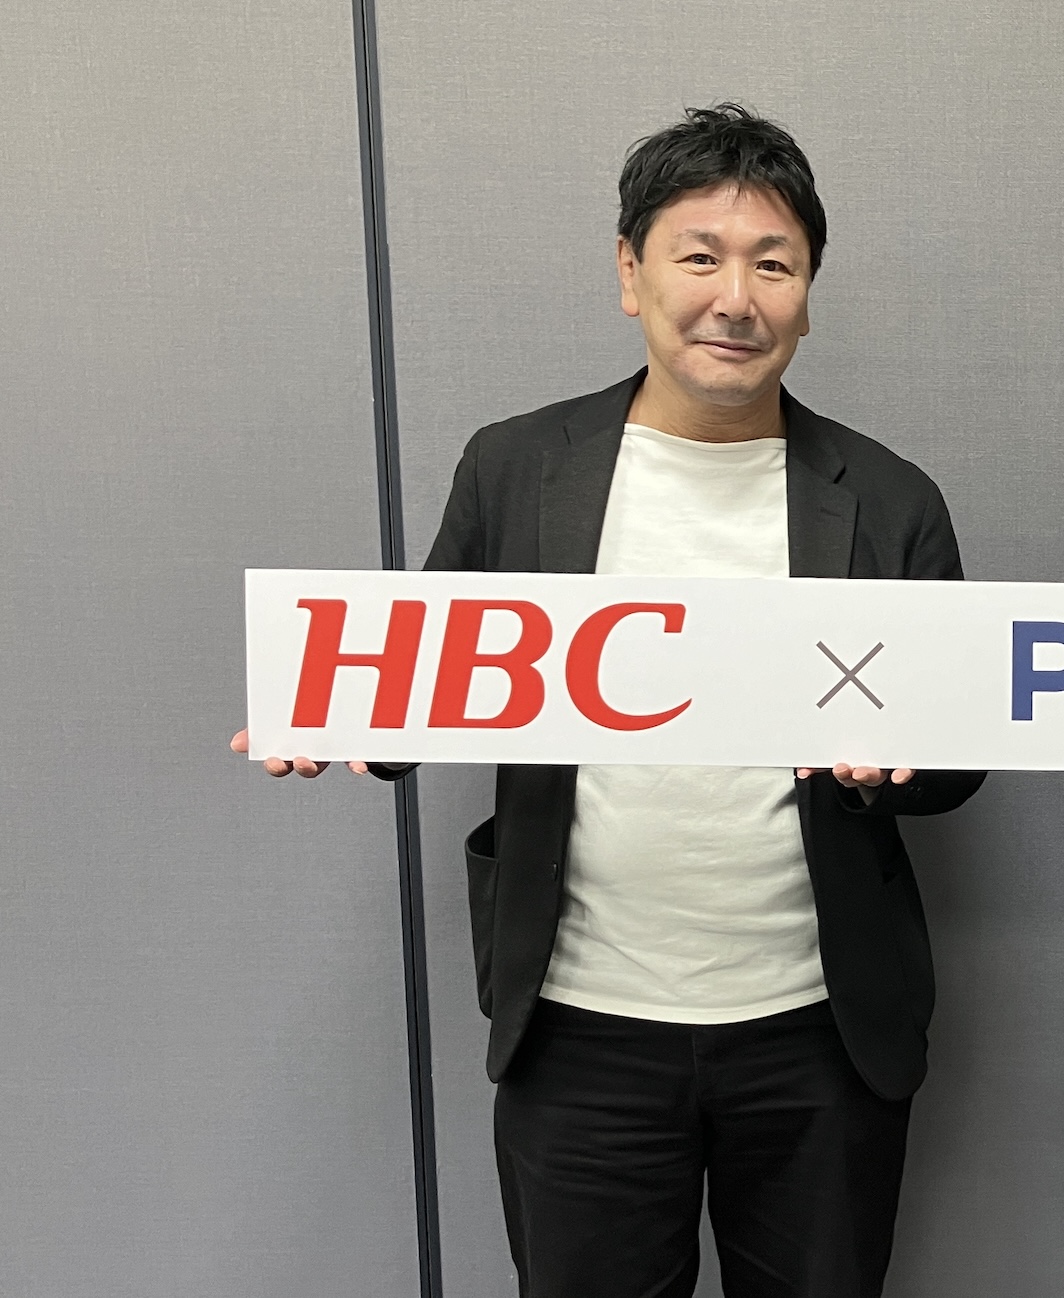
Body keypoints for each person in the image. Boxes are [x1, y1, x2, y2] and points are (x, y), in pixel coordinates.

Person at [233, 104, 981, 1298]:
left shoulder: (889, 498)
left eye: (773, 264)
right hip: (578, 1025)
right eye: (699, 256)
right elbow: (431, 668)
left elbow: (955, 761)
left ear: (807, 295)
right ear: (630, 273)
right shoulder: (516, 466)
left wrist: (892, 764)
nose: (735, 297)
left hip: (818, 1030)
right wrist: (339, 720)